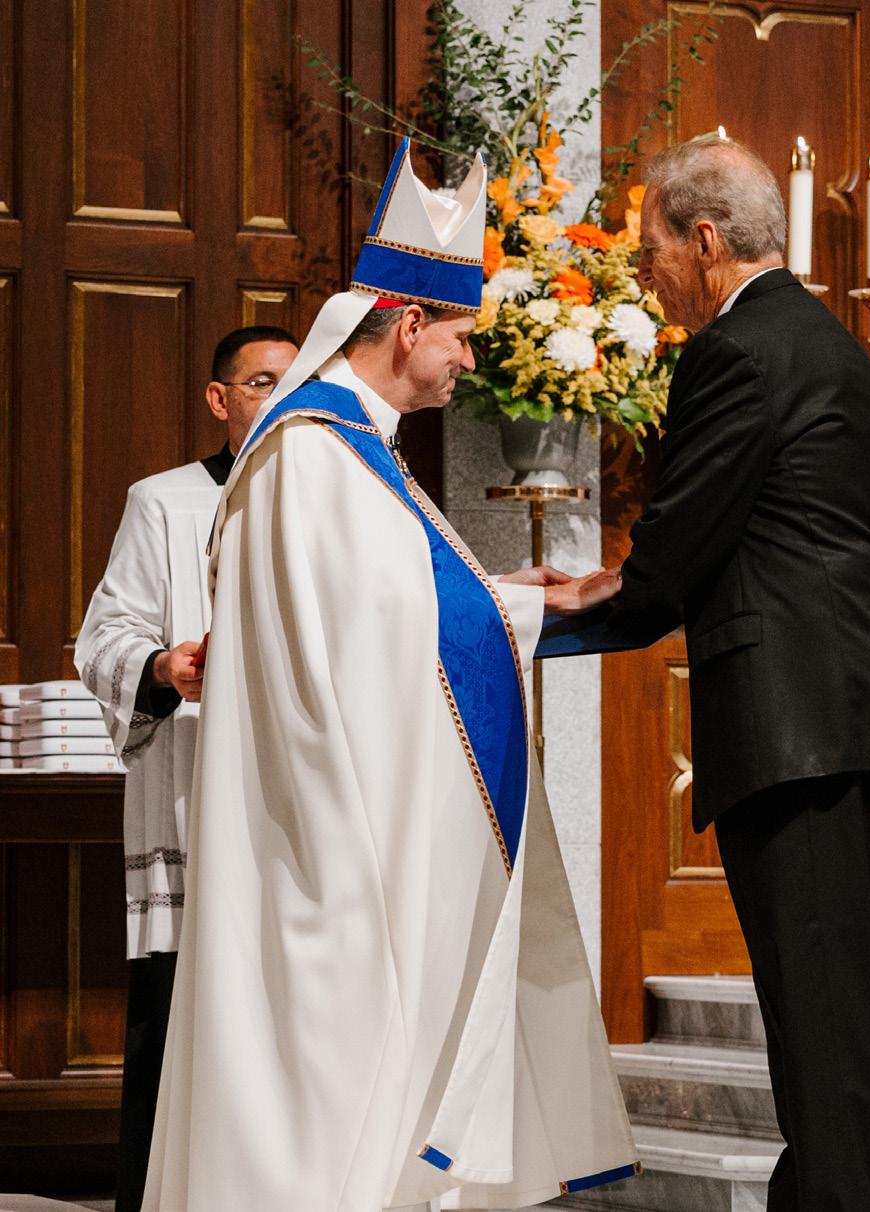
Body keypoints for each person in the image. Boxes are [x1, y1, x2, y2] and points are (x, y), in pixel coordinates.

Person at [142, 138, 637, 1212]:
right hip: (320, 830)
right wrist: (531, 608)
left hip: (350, 804)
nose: (469, 360)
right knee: (326, 1081)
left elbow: (392, 602)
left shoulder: (353, 449)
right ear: (408, 324)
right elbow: (375, 627)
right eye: (460, 336)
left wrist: (510, 598)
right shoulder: (310, 452)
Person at [612, 136, 870, 1211]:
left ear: (704, 240)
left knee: (825, 1041)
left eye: (652, 250)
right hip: (865, 725)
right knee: (838, 1028)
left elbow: (673, 555)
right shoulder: (840, 351)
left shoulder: (736, 351)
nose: (647, 274)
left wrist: (572, 606)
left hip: (799, 736)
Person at [74, 324, 298, 1212]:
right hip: (194, 792)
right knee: (175, 1016)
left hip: (295, 798)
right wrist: (165, 665)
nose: (279, 399)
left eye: (293, 384)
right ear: (219, 398)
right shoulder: (164, 503)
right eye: (261, 382)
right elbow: (104, 637)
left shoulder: (335, 501)